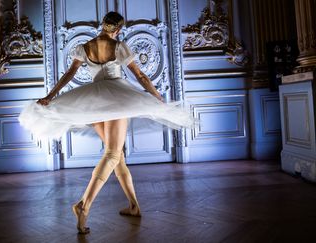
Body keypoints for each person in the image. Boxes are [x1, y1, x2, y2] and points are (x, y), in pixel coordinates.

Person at [18, 11, 195, 234]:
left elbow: (69, 75)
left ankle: (133, 205)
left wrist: (51, 96)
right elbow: (141, 76)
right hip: (116, 99)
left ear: (103, 25)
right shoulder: (119, 46)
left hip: (92, 101)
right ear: (119, 29)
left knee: (117, 155)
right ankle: (84, 205)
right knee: (112, 154)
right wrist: (157, 98)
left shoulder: (85, 46)